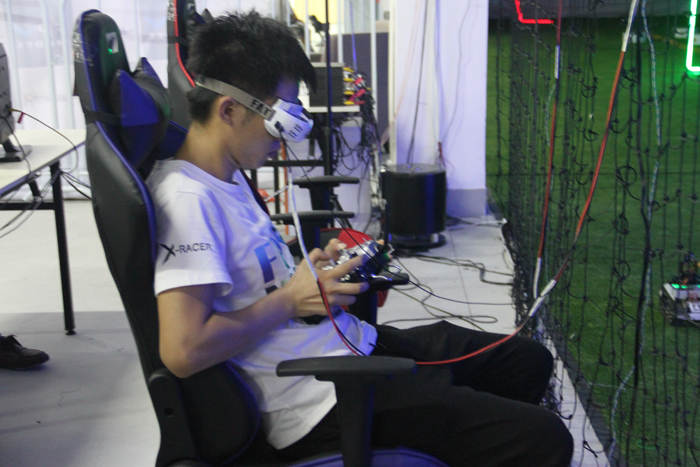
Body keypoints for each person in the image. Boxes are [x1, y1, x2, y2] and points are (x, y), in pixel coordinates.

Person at [146, 11, 574, 467]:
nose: (284, 139)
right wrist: (290, 300)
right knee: (544, 439)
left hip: (347, 349)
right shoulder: (187, 200)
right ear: (229, 110)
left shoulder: (226, 178)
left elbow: (251, 286)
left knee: (525, 361)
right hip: (319, 400)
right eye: (280, 119)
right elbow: (183, 350)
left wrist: (311, 277)